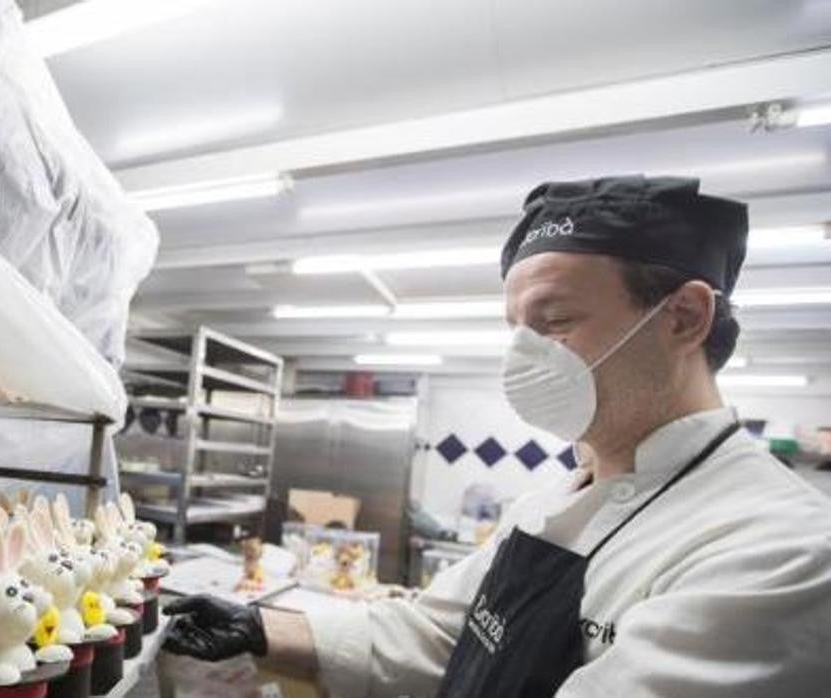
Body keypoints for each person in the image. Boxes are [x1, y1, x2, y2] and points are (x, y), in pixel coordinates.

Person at [162, 176, 831, 697]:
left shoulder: (780, 549)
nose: (523, 355)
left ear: (683, 317)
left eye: (555, 318)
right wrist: (258, 628)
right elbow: (434, 633)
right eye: (515, 327)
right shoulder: (549, 505)